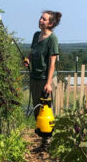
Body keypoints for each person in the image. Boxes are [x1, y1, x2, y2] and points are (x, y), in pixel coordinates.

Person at [24, 10, 62, 152]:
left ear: (50, 23)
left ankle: (48, 143)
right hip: (34, 77)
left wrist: (48, 83)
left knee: (45, 111)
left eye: (44, 19)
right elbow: (32, 51)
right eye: (41, 17)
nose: (40, 20)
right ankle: (43, 141)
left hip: (45, 79)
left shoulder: (52, 39)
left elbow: (52, 63)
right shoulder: (36, 35)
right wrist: (28, 59)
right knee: (37, 110)